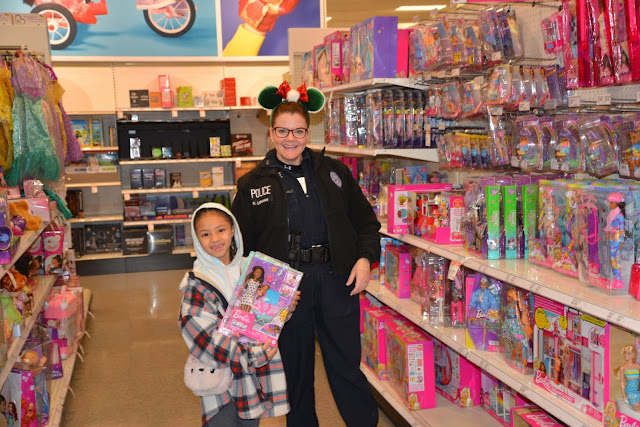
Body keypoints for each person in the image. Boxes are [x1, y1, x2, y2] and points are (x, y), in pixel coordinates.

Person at [232, 81, 381, 426]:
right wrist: (254, 297)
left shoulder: (334, 172)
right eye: (283, 131)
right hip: (283, 290)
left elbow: (366, 222)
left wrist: (364, 259)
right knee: (296, 375)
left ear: (308, 132)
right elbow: (241, 248)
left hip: (336, 280)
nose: (291, 139)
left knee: (347, 368)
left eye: (298, 131)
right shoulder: (252, 184)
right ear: (271, 133)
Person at [178, 202, 299, 426]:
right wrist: (253, 355)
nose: (215, 239)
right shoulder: (197, 283)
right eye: (205, 234)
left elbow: (264, 316)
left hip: (251, 380)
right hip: (220, 378)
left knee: (250, 422)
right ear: (196, 239)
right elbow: (201, 335)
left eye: (221, 230)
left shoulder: (251, 269)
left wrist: (285, 309)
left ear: (233, 229)